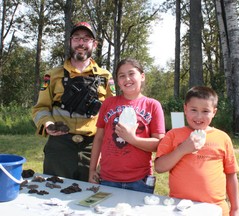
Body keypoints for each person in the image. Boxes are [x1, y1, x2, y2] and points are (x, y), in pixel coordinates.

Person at [32, 21, 115, 181]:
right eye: (76, 38)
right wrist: (48, 124)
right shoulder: (53, 75)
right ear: (70, 42)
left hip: (92, 148)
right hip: (59, 147)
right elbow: (40, 108)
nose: (81, 43)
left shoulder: (106, 77)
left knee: (90, 196)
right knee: (53, 194)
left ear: (94, 44)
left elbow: (112, 112)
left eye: (86, 39)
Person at [154, 86, 239, 216]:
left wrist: (235, 209)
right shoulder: (173, 135)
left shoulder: (223, 138)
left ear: (214, 112)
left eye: (205, 111)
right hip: (179, 207)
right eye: (193, 110)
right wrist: (182, 149)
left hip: (215, 208)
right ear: (185, 109)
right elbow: (159, 167)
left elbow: (231, 174)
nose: (199, 116)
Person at [89, 58, 165, 193]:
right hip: (107, 178)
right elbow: (99, 138)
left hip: (140, 180)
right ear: (118, 82)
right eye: (122, 76)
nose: (127, 79)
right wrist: (92, 170)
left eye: (131, 74)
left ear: (142, 76)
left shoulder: (152, 105)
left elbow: (159, 143)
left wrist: (133, 139)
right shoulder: (108, 103)